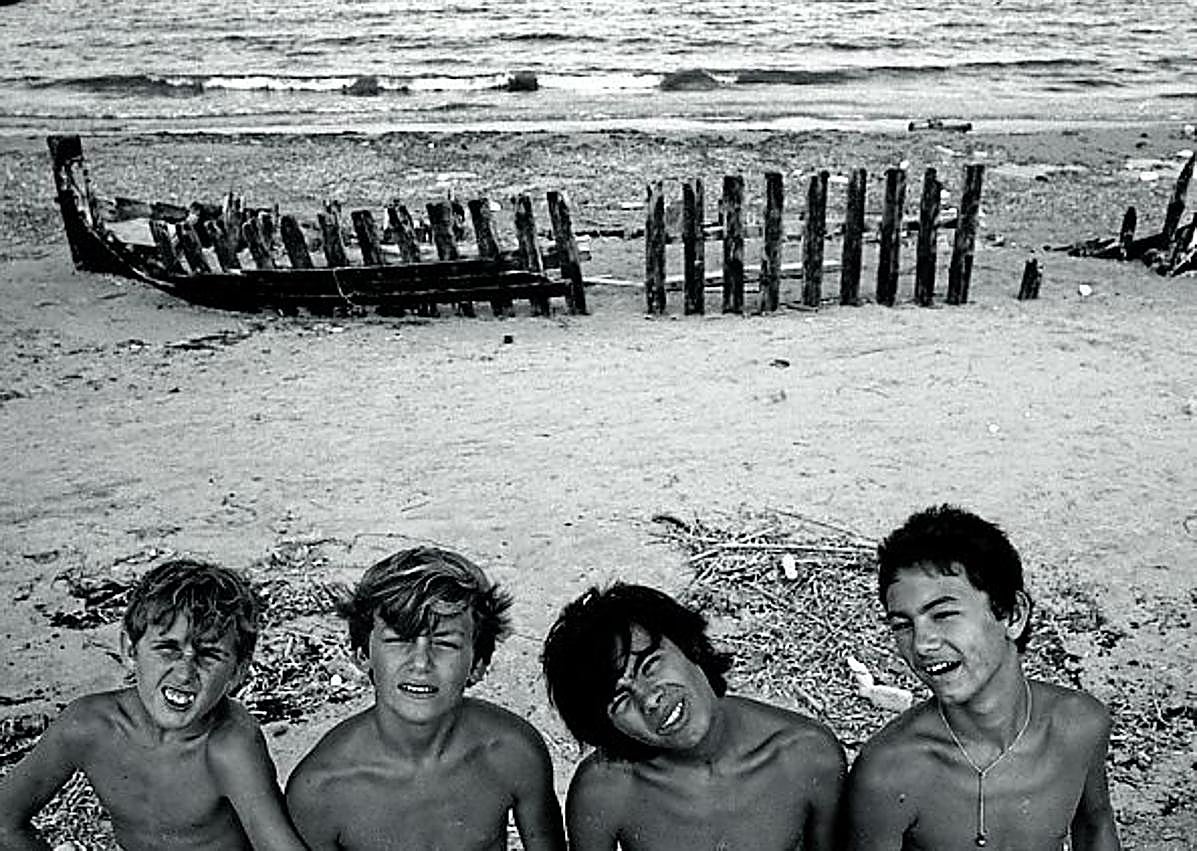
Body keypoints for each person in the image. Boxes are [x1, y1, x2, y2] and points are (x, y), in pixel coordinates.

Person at [846, 504, 1121, 850]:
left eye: (943, 614)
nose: (922, 643)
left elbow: (1095, 826)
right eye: (903, 625)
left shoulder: (1079, 727)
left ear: (1012, 614)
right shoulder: (890, 774)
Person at [0, 558, 306, 851]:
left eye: (209, 655)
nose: (185, 673)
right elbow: (5, 821)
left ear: (238, 671)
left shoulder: (229, 745)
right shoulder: (89, 727)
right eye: (167, 648)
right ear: (129, 648)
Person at [285, 546, 565, 850]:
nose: (420, 663)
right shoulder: (321, 788)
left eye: (445, 643)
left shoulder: (513, 752)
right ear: (362, 655)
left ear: (479, 665)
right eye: (399, 640)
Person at [541, 582, 845, 851]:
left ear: (692, 647)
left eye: (650, 666)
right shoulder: (604, 792)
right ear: (608, 728)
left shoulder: (807, 756)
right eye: (620, 700)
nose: (649, 699)